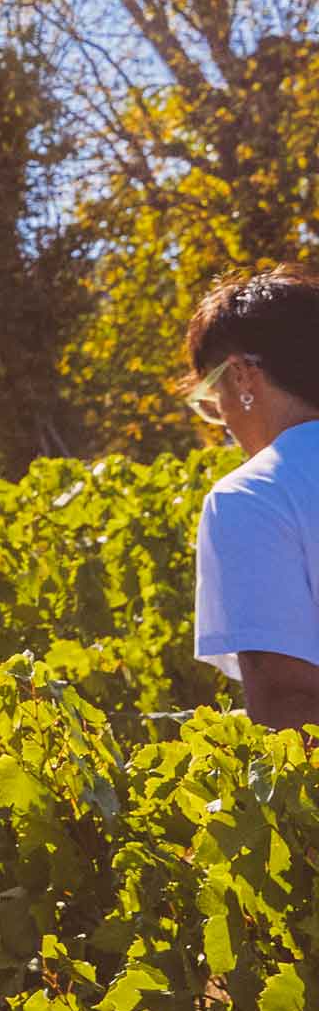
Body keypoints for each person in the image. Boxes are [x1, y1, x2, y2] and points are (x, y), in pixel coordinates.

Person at [186, 264, 319, 733]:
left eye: (211, 395)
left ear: (242, 377)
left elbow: (287, 703)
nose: (218, 419)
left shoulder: (251, 496)